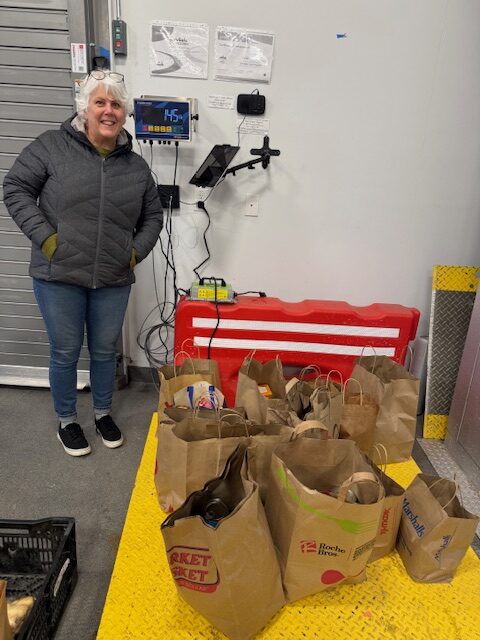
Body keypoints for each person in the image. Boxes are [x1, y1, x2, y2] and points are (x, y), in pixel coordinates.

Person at [3, 70, 163, 457]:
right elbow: (15, 187)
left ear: (125, 113)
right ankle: (67, 420)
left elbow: (153, 217)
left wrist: (132, 253)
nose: (109, 110)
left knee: (105, 351)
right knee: (65, 351)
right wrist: (48, 240)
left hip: (112, 276)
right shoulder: (51, 146)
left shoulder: (136, 167)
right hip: (58, 274)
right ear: (85, 108)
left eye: (116, 104)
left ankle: (103, 413)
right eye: (100, 102)